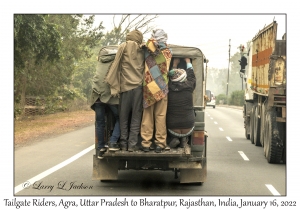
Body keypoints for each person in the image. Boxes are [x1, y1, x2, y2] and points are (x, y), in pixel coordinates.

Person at [105, 30, 145, 152]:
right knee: (136, 117)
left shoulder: (123, 47)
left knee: (123, 118)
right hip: (138, 89)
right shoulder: (143, 49)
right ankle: (132, 145)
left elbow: (115, 65)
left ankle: (123, 143)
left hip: (125, 88)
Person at [140, 29, 172, 153]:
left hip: (149, 88)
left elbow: (148, 45)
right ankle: (160, 143)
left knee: (147, 117)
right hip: (162, 88)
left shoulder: (148, 49)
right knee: (160, 116)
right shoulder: (168, 52)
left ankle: (146, 143)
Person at [90, 49, 120, 159]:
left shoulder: (100, 62)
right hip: (110, 96)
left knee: (100, 122)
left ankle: (101, 147)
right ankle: (112, 141)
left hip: (97, 96)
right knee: (121, 118)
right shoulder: (116, 62)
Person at [166, 58, 196, 148]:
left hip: (172, 129)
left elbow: (170, 76)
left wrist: (174, 64)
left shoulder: (168, 88)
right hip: (188, 128)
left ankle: (173, 138)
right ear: (184, 78)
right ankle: (184, 139)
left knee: (163, 115)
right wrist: (188, 62)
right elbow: (191, 75)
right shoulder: (189, 86)